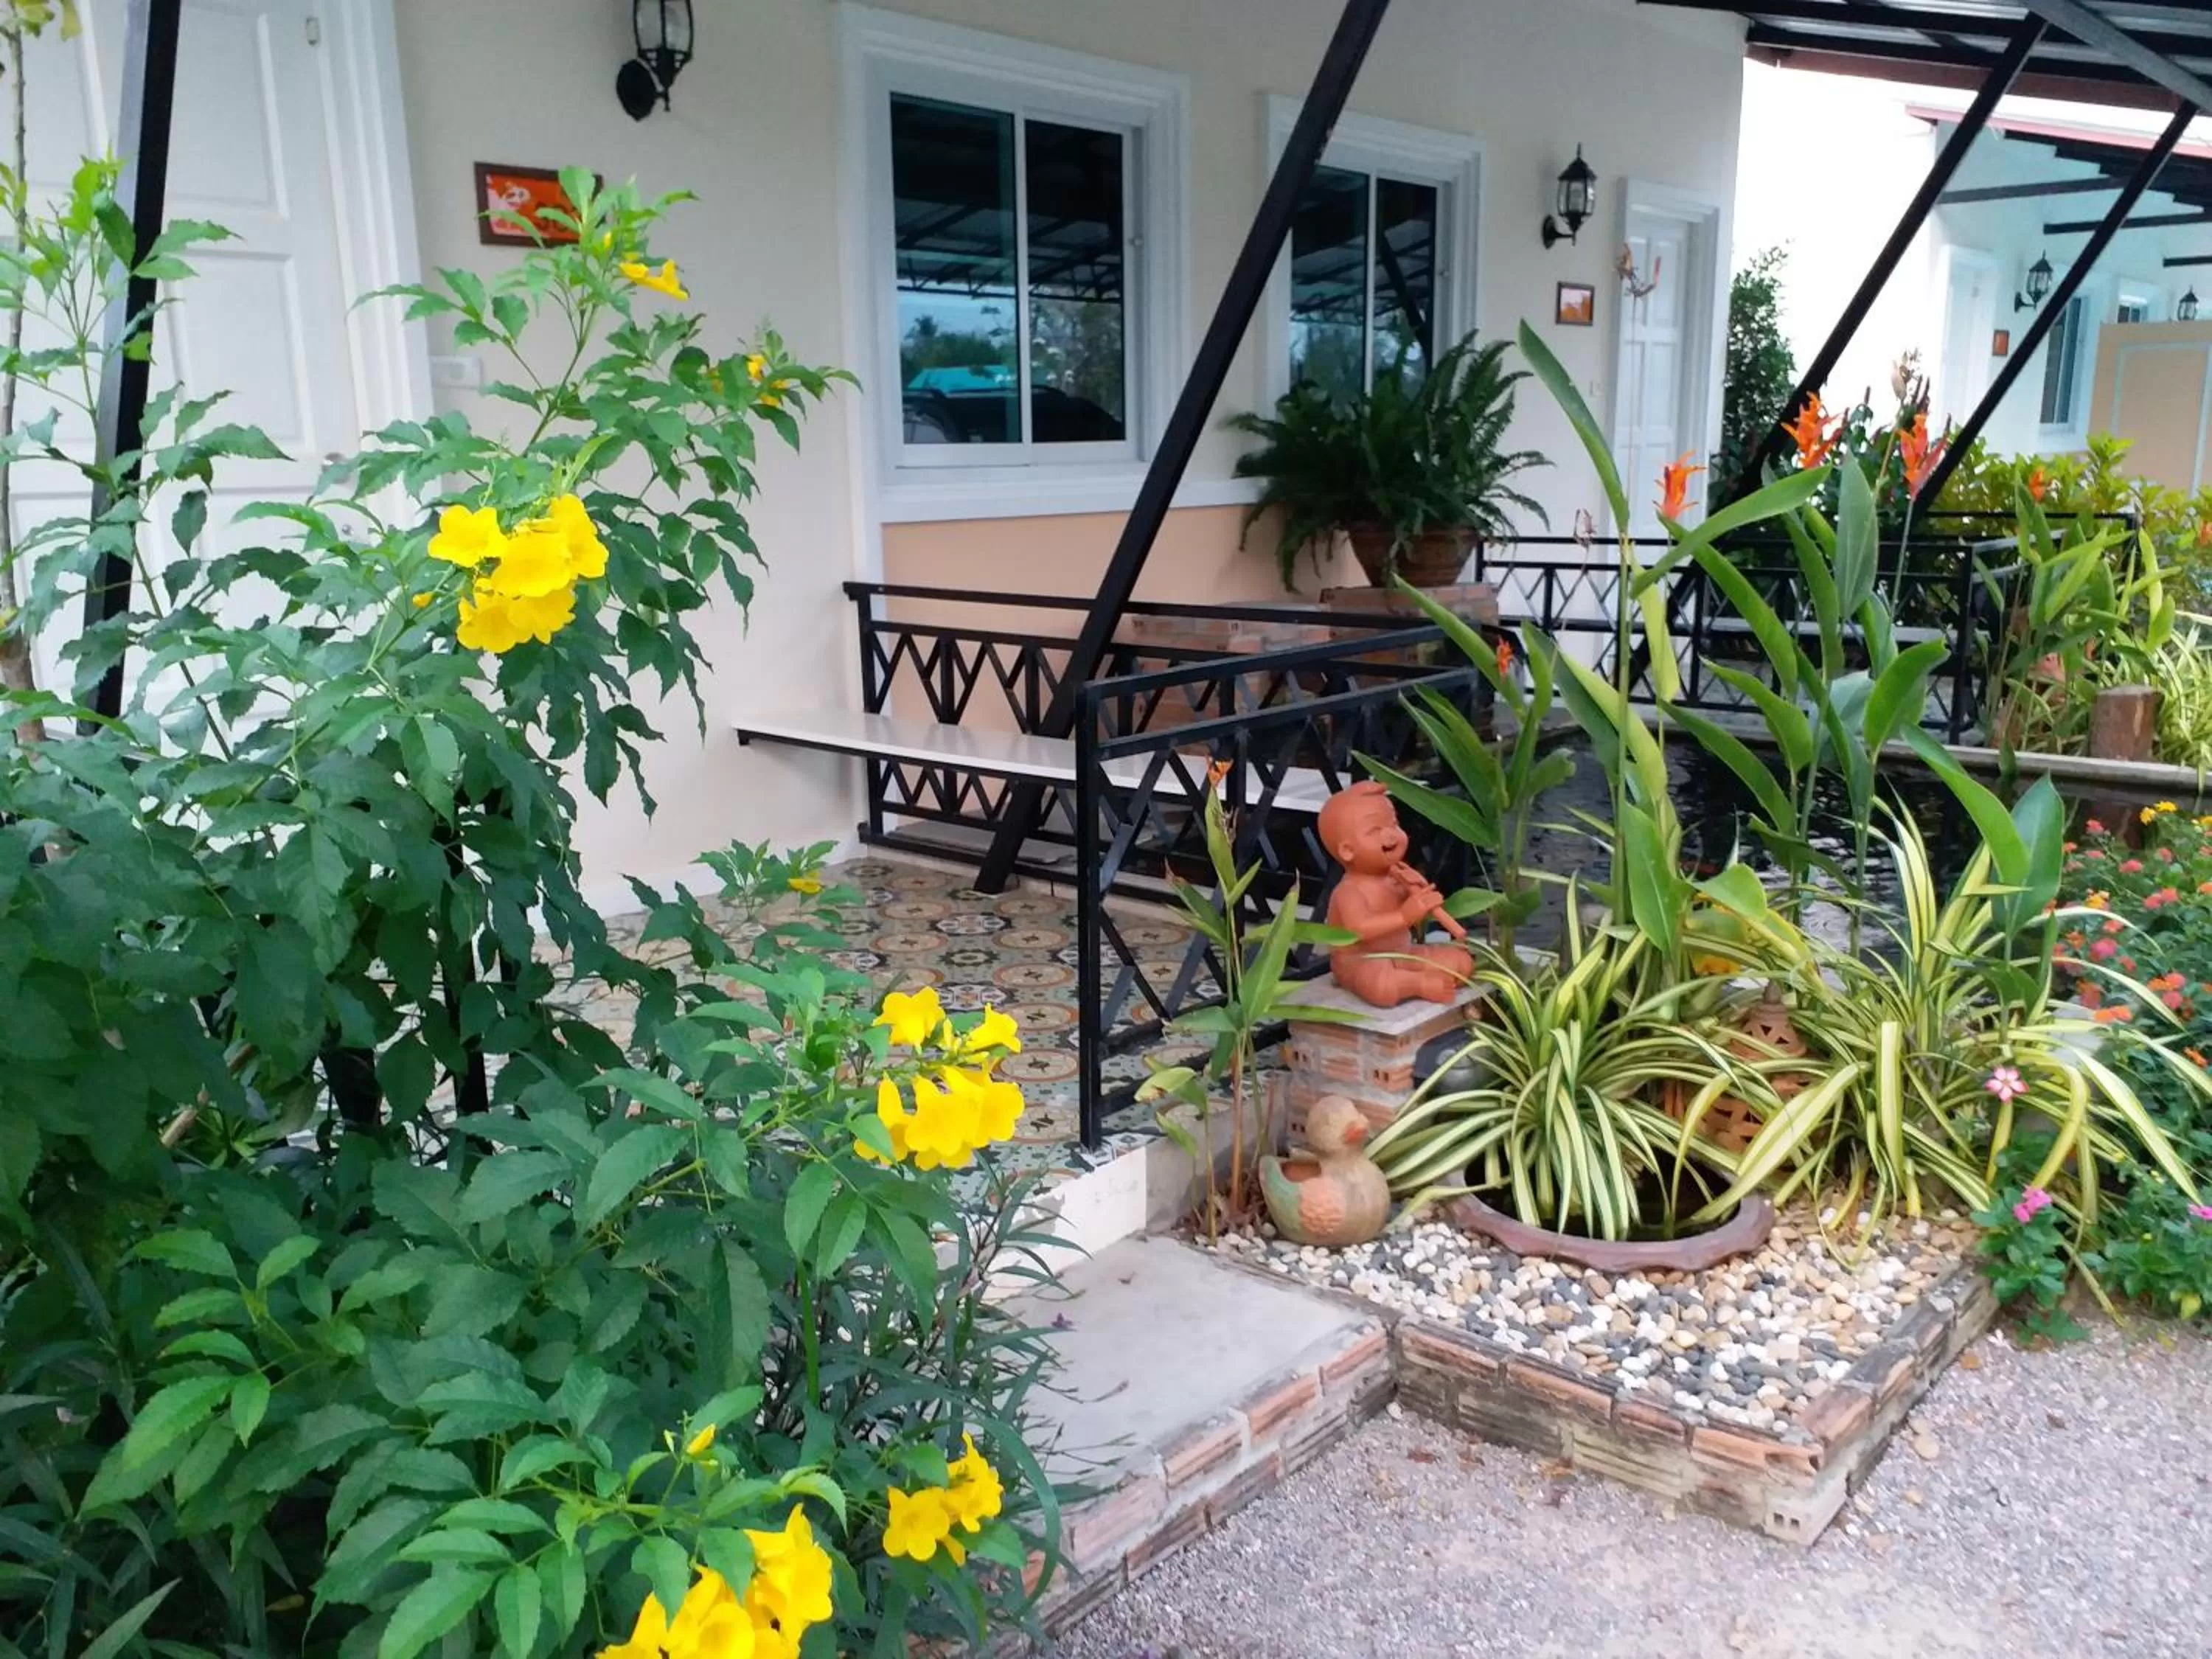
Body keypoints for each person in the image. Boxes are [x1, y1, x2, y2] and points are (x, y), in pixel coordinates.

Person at [1316, 781, 1471, 1007]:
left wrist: (1418, 896)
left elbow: (1412, 919)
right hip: (1360, 962)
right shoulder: (1349, 891)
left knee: (1461, 962)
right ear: (1347, 851)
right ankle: (1418, 983)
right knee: (1382, 985)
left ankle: (1422, 978)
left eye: (1393, 824)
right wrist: (1404, 916)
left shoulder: (1396, 877)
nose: (1391, 835)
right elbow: (1359, 930)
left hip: (1401, 954)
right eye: (1375, 830)